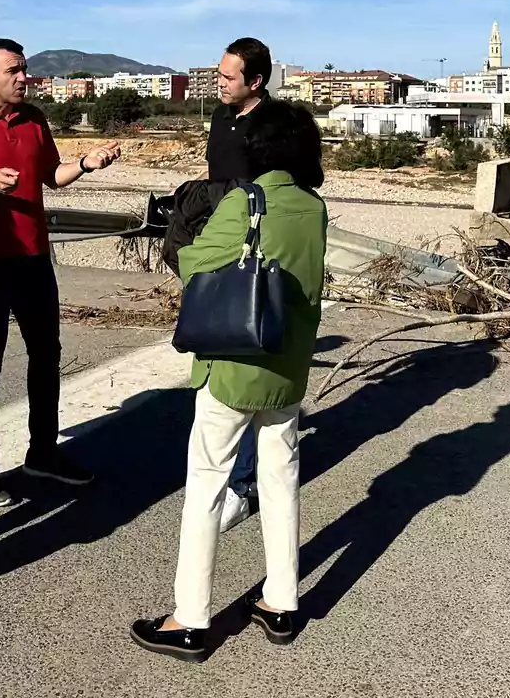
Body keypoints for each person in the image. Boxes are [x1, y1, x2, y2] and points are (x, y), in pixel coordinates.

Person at [131, 100, 328, 662]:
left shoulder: (247, 201)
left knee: (207, 486)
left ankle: (189, 618)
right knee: (280, 481)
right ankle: (282, 600)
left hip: (234, 365)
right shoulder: (312, 207)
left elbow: (196, 263)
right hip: (288, 366)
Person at [0, 37, 121, 507]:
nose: (23, 78)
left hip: (34, 258)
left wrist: (85, 164)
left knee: (46, 355)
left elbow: (50, 175)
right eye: (13, 70)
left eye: (25, 69)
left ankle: (43, 452)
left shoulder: (35, 119)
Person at [162, 37, 274, 533]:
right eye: (219, 75)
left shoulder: (275, 126)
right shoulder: (221, 116)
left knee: (244, 365)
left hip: (253, 259)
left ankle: (243, 484)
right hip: (217, 248)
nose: (220, 84)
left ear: (256, 81)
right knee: (214, 364)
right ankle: (227, 468)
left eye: (229, 78)